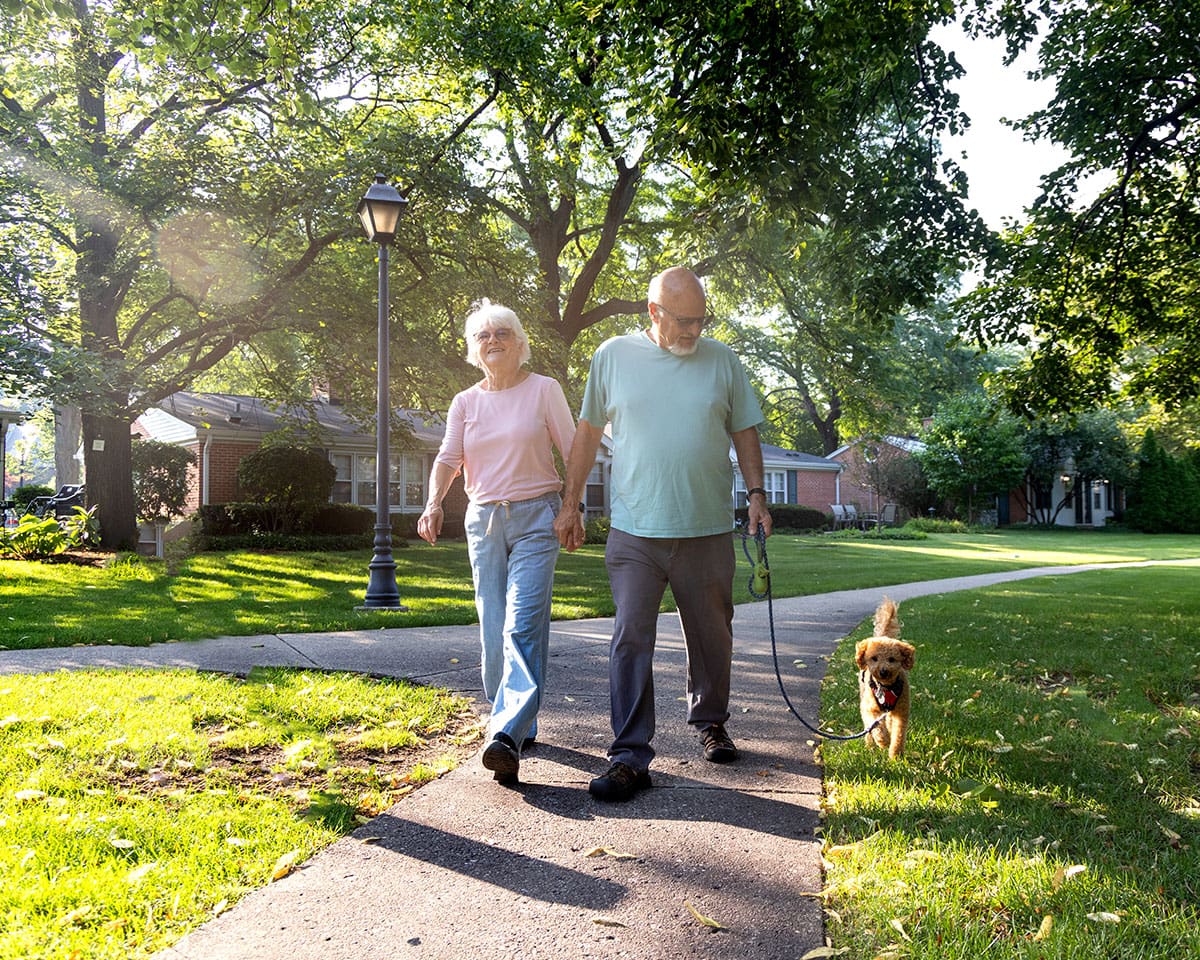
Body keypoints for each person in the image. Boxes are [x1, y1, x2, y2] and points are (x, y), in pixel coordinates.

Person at [553, 266, 773, 802]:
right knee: (630, 636)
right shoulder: (612, 356)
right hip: (635, 528)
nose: (694, 331)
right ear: (654, 312)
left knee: (712, 633)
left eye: (701, 320)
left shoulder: (723, 360)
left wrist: (758, 496)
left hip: (706, 527)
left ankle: (711, 721)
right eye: (684, 321)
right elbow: (586, 432)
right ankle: (629, 754)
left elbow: (744, 430)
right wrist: (571, 501)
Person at [418, 299, 576, 786]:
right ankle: (518, 719)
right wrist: (433, 502)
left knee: (521, 624)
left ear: (520, 342)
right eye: (483, 335)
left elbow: (574, 452)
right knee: (492, 631)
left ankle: (505, 732)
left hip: (536, 516)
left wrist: (572, 509)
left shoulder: (545, 390)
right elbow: (449, 457)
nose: (493, 341)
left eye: (502, 332)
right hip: (483, 520)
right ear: (474, 348)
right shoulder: (466, 401)